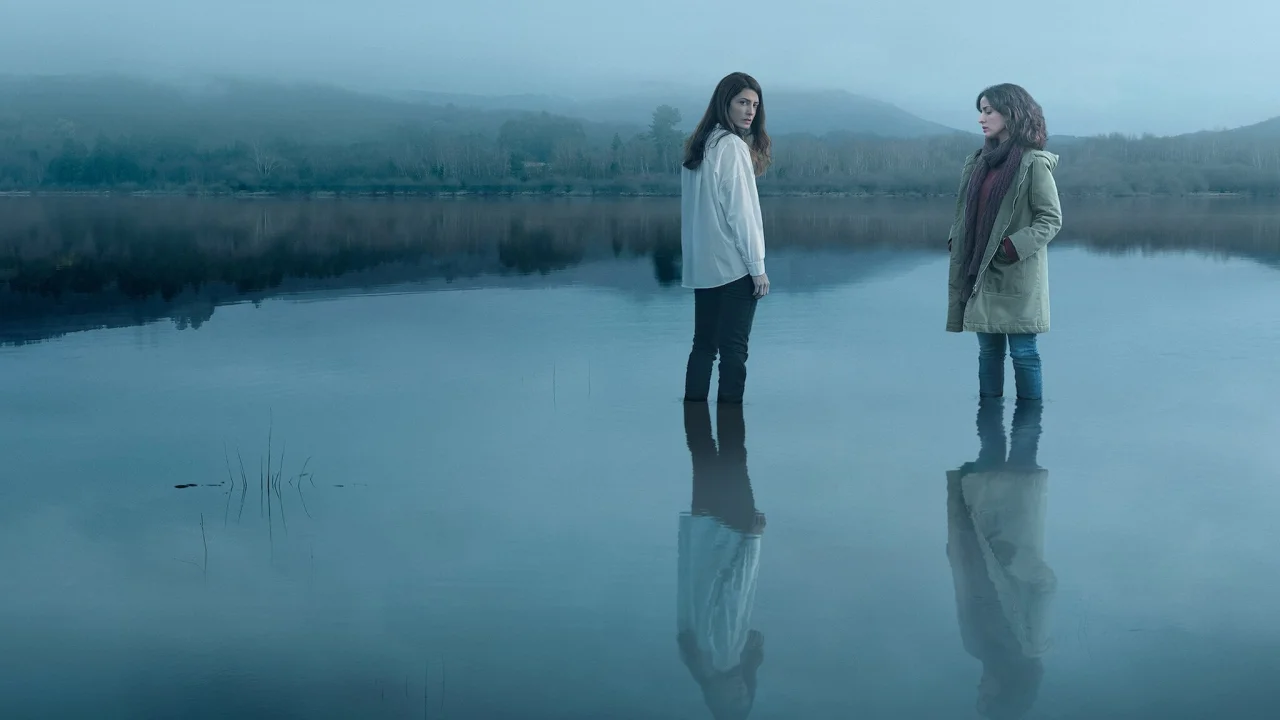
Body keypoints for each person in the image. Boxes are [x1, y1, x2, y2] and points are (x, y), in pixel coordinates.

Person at [946, 83, 1062, 401]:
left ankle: (1029, 422)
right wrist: (956, 239)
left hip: (1014, 271)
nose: (981, 119)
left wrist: (1012, 247)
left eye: (988, 111)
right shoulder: (978, 162)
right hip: (979, 268)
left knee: (1024, 353)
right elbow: (965, 212)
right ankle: (988, 419)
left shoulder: (1033, 163)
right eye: (980, 112)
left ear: (1011, 113)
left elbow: (1050, 219)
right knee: (988, 352)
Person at [946, 397, 1056, 719]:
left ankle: (998, 400)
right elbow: (1045, 586)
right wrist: (1014, 558)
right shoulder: (1033, 646)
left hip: (977, 531)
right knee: (1022, 436)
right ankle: (1020, 401)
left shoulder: (974, 647)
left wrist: (955, 552)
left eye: (979, 697)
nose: (980, 689)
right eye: (986, 697)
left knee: (989, 446)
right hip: (1010, 524)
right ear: (1006, 694)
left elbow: (965, 591)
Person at [681, 72, 772, 404]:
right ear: (725, 103)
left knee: (704, 346)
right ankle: (732, 426)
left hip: (703, 265)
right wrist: (757, 268)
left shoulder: (700, 144)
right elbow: (741, 214)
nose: (750, 111)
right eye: (743, 102)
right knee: (734, 350)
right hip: (734, 266)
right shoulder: (731, 146)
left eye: (755, 105)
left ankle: (695, 422)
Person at [677, 401, 765, 719]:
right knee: (703, 452)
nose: (742, 693)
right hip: (704, 532)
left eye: (733, 702)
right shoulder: (696, 656)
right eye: (745, 699)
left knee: (732, 454)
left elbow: (733, 595)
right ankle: (699, 404)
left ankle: (712, 402)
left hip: (727, 536)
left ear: (715, 699)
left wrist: (753, 542)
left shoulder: (725, 655)